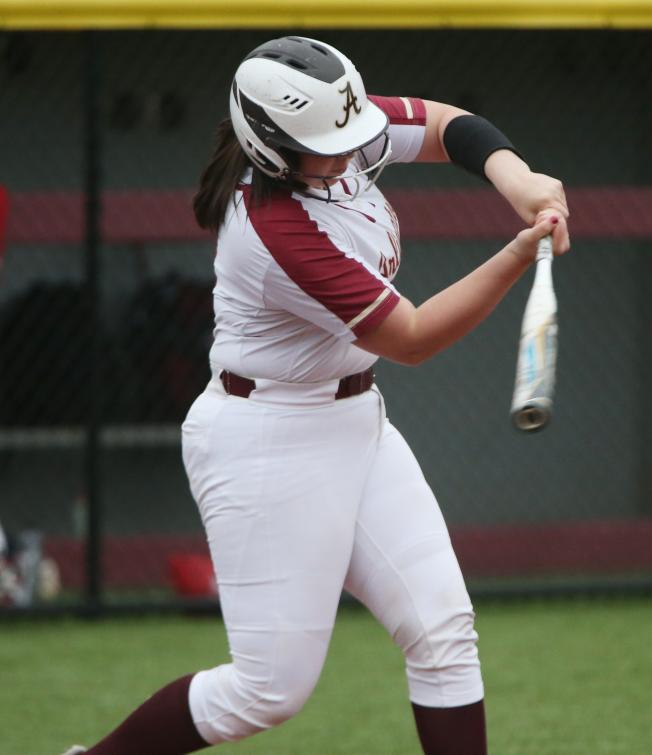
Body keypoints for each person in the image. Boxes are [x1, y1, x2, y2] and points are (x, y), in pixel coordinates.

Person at [64, 34, 569, 755]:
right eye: (325, 146)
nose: (349, 151)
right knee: (267, 691)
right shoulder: (275, 228)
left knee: (443, 630)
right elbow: (415, 336)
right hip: (264, 437)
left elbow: (441, 124)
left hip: (356, 419)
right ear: (271, 149)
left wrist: (515, 178)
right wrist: (519, 253)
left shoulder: (340, 135)